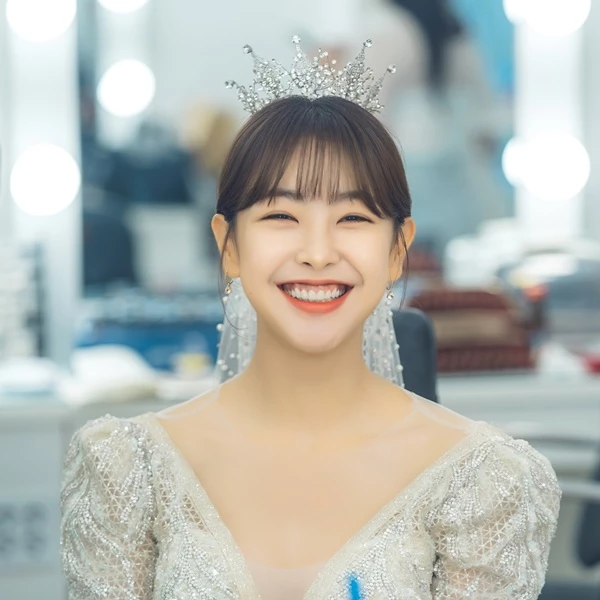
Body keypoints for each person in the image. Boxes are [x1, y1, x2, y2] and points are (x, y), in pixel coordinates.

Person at [60, 37, 561, 600]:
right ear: (229, 245)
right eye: (281, 215)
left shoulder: (482, 479)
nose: (318, 253)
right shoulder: (130, 469)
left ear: (398, 250)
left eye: (353, 218)